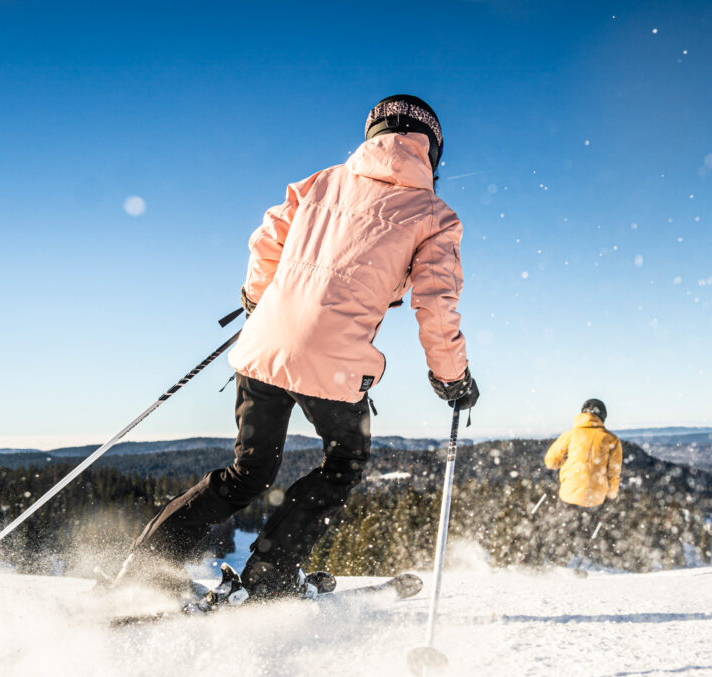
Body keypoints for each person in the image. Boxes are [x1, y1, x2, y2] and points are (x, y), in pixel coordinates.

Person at [115, 94, 478, 601]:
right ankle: (271, 573)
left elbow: (266, 242)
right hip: (335, 361)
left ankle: (146, 564)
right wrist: (451, 376)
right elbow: (436, 305)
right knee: (344, 461)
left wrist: (258, 302)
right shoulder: (434, 214)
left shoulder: (320, 182)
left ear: (372, 133)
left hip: (263, 345)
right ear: (432, 151)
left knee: (249, 471)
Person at [542, 399, 622, 563]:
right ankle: (574, 560)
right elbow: (614, 473)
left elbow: (550, 462)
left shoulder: (570, 435)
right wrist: (612, 495)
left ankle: (546, 558)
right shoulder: (611, 439)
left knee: (558, 525)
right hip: (596, 497)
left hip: (569, 493)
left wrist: (567, 461)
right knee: (583, 529)